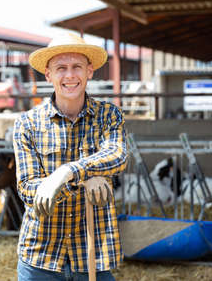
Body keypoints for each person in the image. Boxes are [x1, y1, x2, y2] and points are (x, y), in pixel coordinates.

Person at [12, 33, 128, 281]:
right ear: (48, 75)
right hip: (40, 256)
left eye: (77, 67)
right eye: (60, 68)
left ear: (89, 71)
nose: (69, 75)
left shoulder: (109, 115)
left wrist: (67, 173)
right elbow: (28, 190)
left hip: (92, 252)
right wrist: (86, 179)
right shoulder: (27, 124)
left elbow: (117, 155)